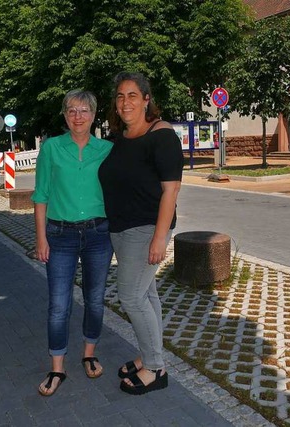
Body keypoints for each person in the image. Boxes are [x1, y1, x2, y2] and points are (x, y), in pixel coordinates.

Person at [98, 72, 183, 395]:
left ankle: (156, 368)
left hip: (146, 229)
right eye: (120, 96)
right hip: (120, 230)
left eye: (133, 95)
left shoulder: (161, 135)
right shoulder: (119, 139)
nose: (125, 102)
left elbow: (171, 189)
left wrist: (160, 238)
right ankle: (150, 355)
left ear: (147, 99)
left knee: (131, 297)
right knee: (147, 295)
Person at [32, 89, 113, 396]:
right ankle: (57, 368)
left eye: (84, 111)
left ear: (94, 115)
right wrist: (40, 237)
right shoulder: (52, 147)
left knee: (94, 299)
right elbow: (40, 195)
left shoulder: (106, 149)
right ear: (65, 115)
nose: (78, 116)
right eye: (71, 111)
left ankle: (89, 353)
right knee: (58, 305)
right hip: (60, 235)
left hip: (98, 234)